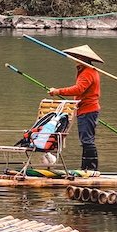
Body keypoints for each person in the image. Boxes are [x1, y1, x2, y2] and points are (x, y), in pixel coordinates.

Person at [48, 44, 103, 174]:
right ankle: (85, 168)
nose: (75, 59)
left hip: (88, 109)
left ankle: (91, 168)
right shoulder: (85, 70)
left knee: (87, 139)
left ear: (83, 58)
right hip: (84, 109)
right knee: (85, 139)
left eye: (77, 57)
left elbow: (79, 89)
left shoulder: (88, 72)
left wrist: (57, 91)